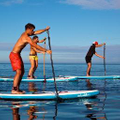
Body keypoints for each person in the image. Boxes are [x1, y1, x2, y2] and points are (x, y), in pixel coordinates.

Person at [9, 23, 52, 94]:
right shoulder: (26, 37)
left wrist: (45, 29)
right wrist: (46, 50)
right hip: (14, 55)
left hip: (17, 55)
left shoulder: (26, 34)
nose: (33, 32)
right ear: (28, 29)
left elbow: (37, 32)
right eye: (32, 30)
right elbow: (35, 45)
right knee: (19, 72)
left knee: (22, 72)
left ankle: (17, 89)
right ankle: (14, 89)